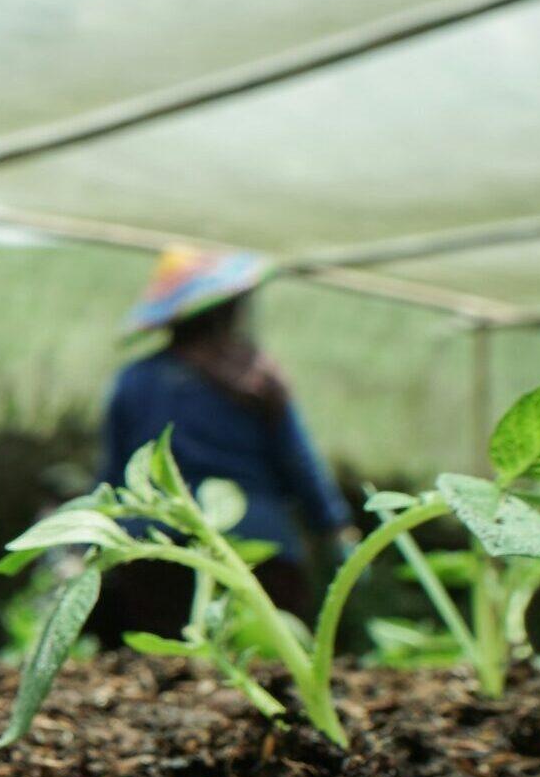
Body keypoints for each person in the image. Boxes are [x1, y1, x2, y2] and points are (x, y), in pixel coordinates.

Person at [90, 247, 356, 644]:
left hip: (156, 550)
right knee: (268, 668)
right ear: (229, 311)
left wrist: (87, 543)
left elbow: (113, 475)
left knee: (164, 671)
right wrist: (334, 527)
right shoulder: (257, 379)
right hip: (259, 548)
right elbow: (299, 462)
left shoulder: (135, 380)